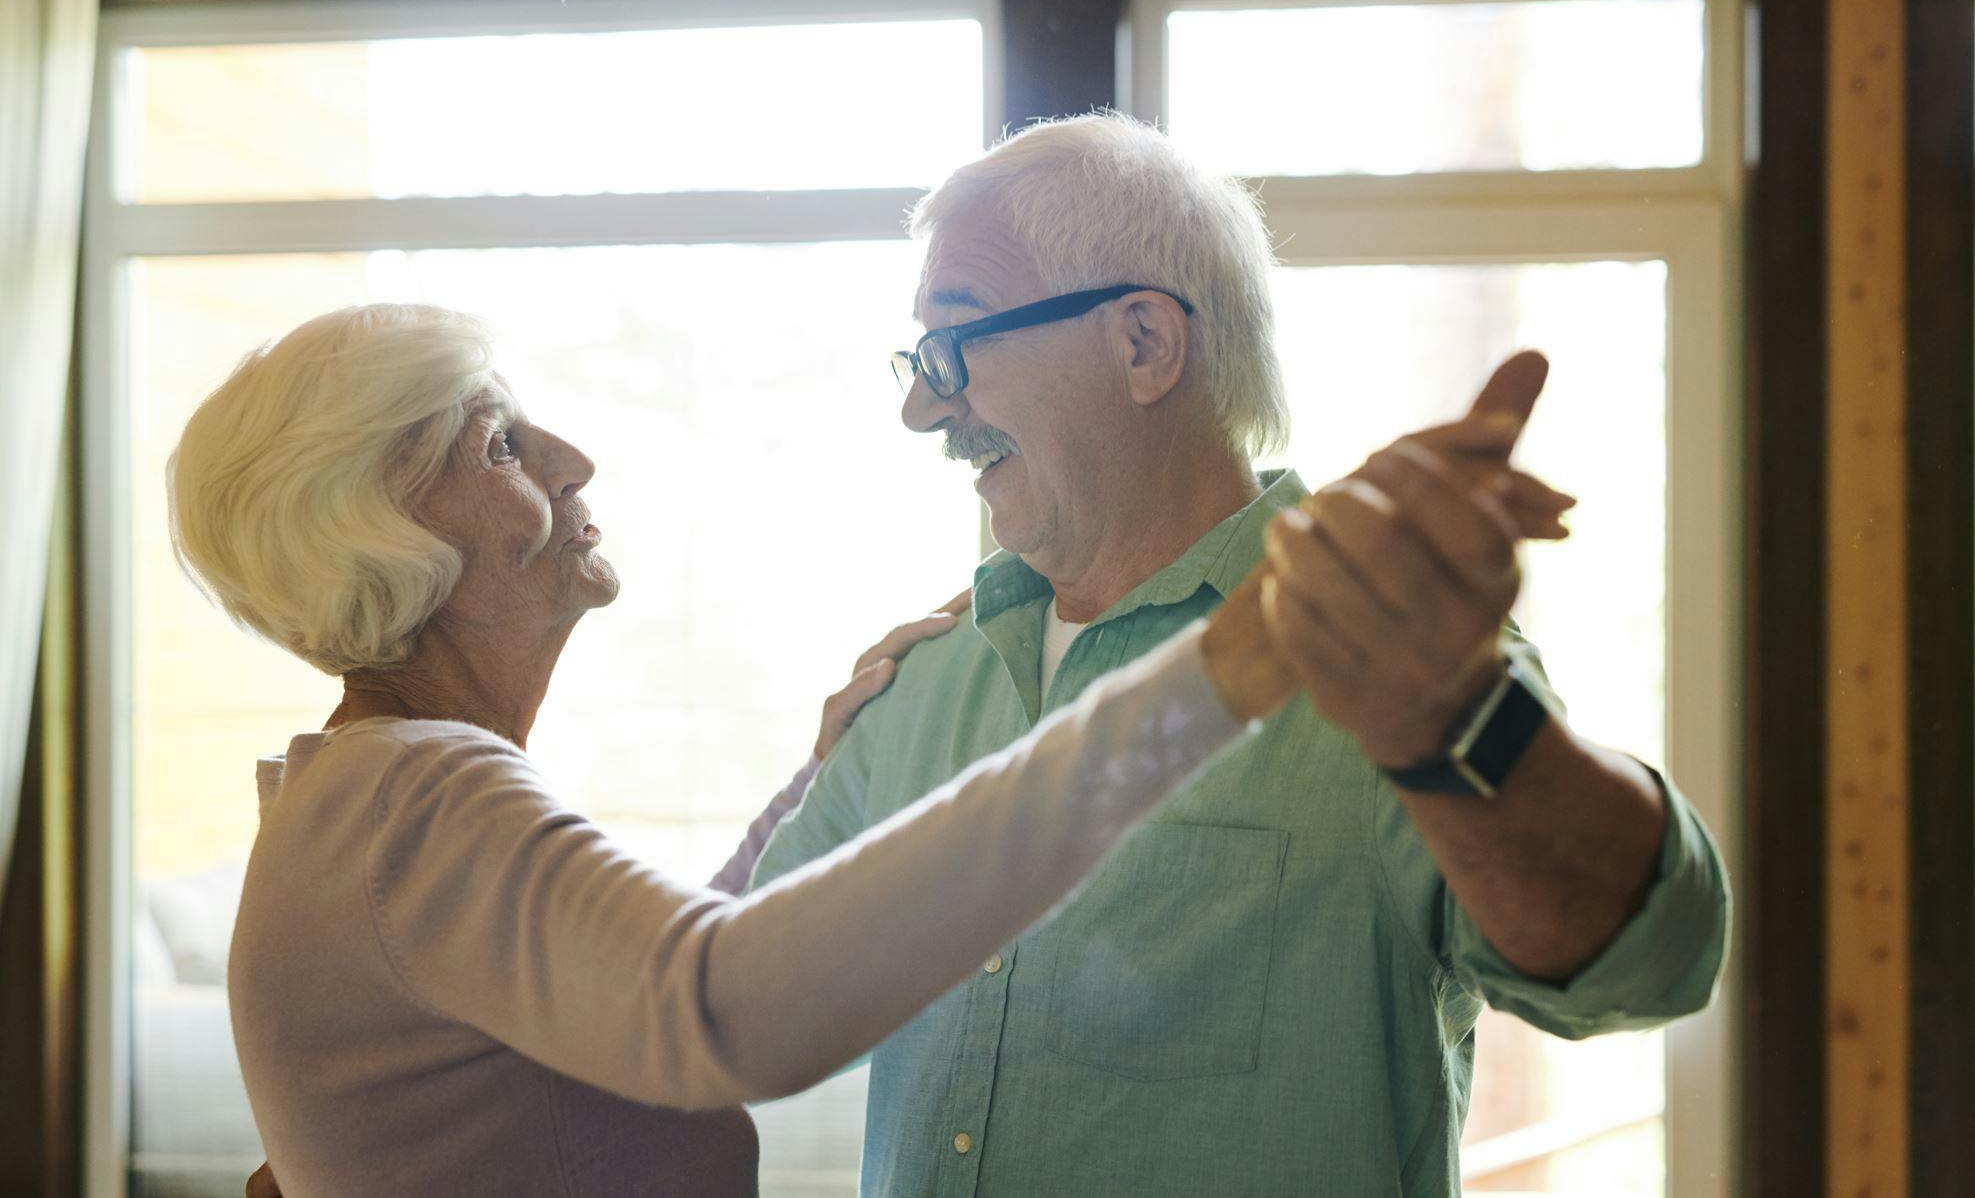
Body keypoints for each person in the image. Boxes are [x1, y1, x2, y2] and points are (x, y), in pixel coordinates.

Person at [175, 301, 1434, 1196]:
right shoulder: (419, 792)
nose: (572, 459)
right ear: (377, 537)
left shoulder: (356, 790)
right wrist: (1208, 682)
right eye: (499, 445)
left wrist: (821, 784)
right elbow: (720, 1014)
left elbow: (634, 1009)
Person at [744, 112, 1730, 1195]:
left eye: (954, 344)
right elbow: (734, 1014)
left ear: (1142, 345)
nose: (921, 408)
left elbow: (1649, 968)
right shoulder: (921, 686)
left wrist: (1458, 716)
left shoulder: (1397, 658)